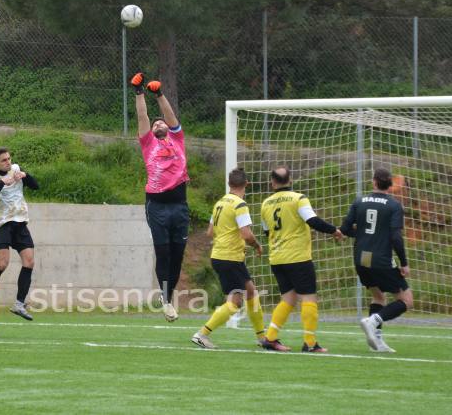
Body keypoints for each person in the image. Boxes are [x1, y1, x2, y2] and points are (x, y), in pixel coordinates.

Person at [259, 166, 342, 353]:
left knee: (288, 299)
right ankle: (310, 343)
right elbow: (312, 221)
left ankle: (270, 338)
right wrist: (334, 230)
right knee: (308, 297)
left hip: (277, 258)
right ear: (290, 180)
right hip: (297, 257)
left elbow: (266, 232)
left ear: (272, 182)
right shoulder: (298, 198)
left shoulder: (265, 204)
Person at [130, 72, 189, 322]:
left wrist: (159, 95)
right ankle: (166, 301)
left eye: (161, 123)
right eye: (155, 125)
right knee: (163, 253)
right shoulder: (148, 144)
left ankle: (167, 296)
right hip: (157, 205)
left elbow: (170, 116)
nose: (158, 125)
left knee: (178, 256)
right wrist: (139, 92)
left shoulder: (177, 138)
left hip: (179, 205)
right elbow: (143, 117)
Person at [191, 168, 267, 349]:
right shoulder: (240, 204)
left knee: (251, 291)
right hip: (229, 257)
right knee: (235, 302)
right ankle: (201, 335)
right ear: (247, 184)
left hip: (221, 255)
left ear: (229, 184)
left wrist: (229, 238)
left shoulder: (220, 203)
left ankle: (262, 337)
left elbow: (210, 232)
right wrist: (256, 245)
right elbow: (247, 234)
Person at [340, 167, 413, 353]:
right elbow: (396, 237)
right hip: (381, 259)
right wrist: (404, 263)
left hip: (361, 258)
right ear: (390, 185)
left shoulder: (359, 201)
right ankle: (373, 321)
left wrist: (361, 233)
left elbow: (345, 229)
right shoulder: (394, 205)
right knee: (406, 300)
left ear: (373, 182)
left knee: (378, 296)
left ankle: (377, 342)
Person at [0, 148, 39, 321]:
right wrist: (1, 183)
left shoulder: (16, 169)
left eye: (9, 158)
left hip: (20, 223)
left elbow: (36, 186)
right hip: (4, 224)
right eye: (4, 160)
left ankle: (19, 304)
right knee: (2, 264)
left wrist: (26, 176)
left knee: (29, 262)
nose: (8, 162)